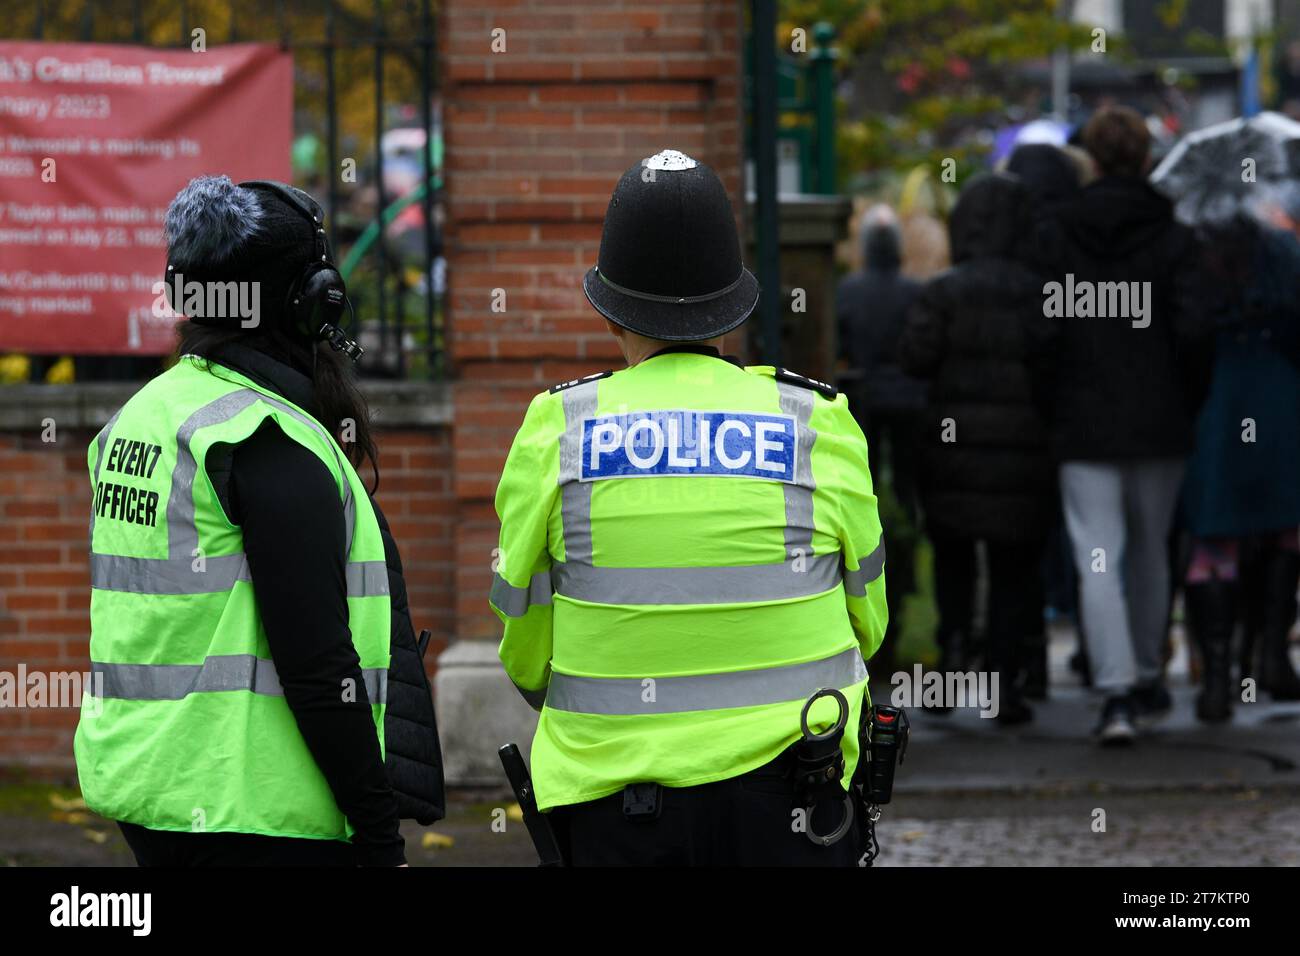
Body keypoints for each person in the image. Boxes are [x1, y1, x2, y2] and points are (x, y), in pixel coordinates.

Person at [489, 150, 889, 866]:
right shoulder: (817, 421)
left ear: (609, 311)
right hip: (797, 800)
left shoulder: (557, 429)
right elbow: (870, 620)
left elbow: (525, 644)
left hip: (616, 808)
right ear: (733, 308)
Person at [75, 175, 443, 866]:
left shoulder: (143, 417)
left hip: (151, 791)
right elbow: (316, 666)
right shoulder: (263, 439)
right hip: (252, 811)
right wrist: (377, 829)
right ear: (311, 301)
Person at [1026, 106, 1212, 745]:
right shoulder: (1176, 238)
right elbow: (1193, 332)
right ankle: (1145, 672)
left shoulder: (1057, 235)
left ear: (1095, 161)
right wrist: (1187, 400)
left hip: (1084, 416)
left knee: (1096, 556)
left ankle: (1115, 694)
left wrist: (1051, 403)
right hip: (1158, 416)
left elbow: (1043, 333)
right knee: (1151, 554)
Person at [898, 172, 1054, 725]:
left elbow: (916, 359)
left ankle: (953, 660)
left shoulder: (942, 293)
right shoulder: (1041, 295)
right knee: (1014, 570)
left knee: (954, 561)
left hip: (953, 451)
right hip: (1023, 453)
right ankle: (1008, 680)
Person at [1181, 203, 1300, 720]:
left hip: (1218, 405)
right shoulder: (1282, 255)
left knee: (1214, 542)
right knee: (1285, 529)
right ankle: (1274, 656)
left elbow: (1184, 335)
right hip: (1279, 399)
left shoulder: (1196, 259)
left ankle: (1219, 677)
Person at [835, 205, 925, 672]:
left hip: (866, 399)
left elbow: (841, 345)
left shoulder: (849, 290)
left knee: (868, 487)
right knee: (906, 487)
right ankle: (909, 531)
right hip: (910, 401)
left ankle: (883, 545)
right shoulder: (916, 292)